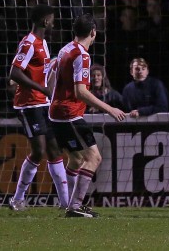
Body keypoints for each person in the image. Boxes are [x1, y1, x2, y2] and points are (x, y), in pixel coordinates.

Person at [49, 13, 126, 218]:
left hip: (56, 113)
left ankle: (68, 203)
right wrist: (110, 109)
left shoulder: (65, 49)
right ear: (93, 32)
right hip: (69, 114)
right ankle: (74, 206)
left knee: (76, 159)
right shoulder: (82, 55)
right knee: (94, 158)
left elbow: (52, 78)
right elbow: (80, 91)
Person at [8, 5, 69, 212]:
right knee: (39, 151)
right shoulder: (29, 43)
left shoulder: (43, 42)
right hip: (28, 104)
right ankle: (17, 198)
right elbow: (15, 73)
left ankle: (65, 203)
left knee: (54, 150)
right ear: (45, 21)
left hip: (43, 103)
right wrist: (41, 88)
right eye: (52, 19)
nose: (53, 22)